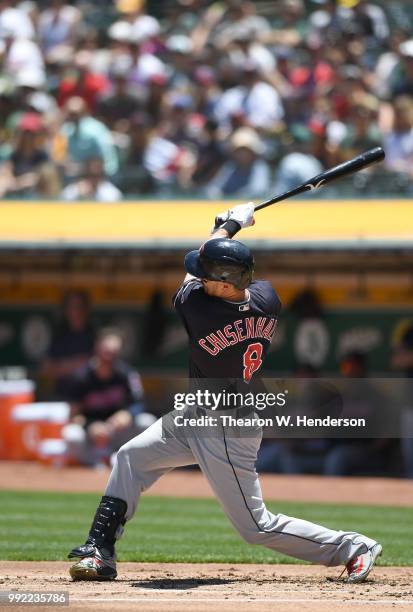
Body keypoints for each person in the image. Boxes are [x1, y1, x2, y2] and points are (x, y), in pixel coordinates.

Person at [68, 203, 382, 583]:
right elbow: (219, 267)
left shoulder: (199, 308)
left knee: (255, 526)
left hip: (228, 429)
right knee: (131, 457)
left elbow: (194, 272)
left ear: (225, 284)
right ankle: (99, 550)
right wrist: (226, 233)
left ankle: (353, 546)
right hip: (199, 415)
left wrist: (229, 224)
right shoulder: (267, 297)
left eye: (209, 276)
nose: (201, 278)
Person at [63, 329, 150, 467]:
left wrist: (128, 413)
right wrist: (90, 426)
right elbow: (73, 416)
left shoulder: (126, 374)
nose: (109, 358)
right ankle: (95, 461)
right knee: (71, 435)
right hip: (92, 436)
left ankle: (120, 456)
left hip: (116, 431)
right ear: (97, 350)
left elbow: (140, 403)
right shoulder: (80, 377)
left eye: (114, 354)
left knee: (147, 422)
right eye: (107, 353)